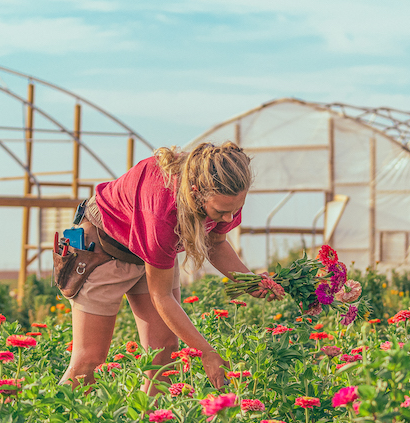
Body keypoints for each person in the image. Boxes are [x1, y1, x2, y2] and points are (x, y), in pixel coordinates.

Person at [58, 141, 280, 392]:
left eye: (235, 209)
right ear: (195, 192)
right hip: (105, 248)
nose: (229, 219)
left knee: (164, 350)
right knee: (90, 360)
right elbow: (160, 296)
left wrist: (249, 281)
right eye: (221, 211)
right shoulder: (162, 207)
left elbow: (216, 243)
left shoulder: (226, 197)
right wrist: (206, 352)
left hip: (151, 252)